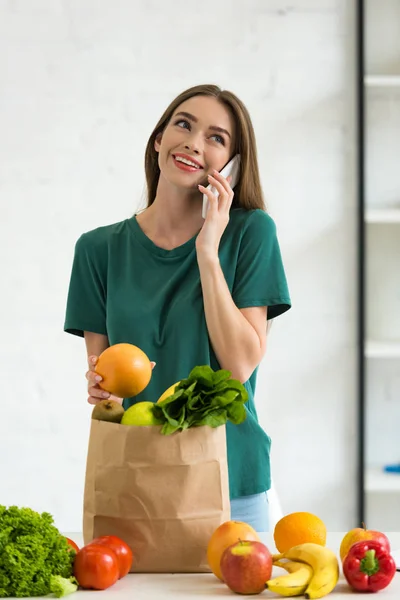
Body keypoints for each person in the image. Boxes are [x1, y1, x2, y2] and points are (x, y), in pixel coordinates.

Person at [64, 83, 291, 532]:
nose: (193, 142)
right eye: (183, 125)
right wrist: (99, 388)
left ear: (230, 164)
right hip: (140, 480)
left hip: (234, 483)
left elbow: (241, 363)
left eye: (216, 137)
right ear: (158, 140)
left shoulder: (251, 233)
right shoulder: (97, 251)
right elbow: (107, 376)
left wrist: (209, 251)